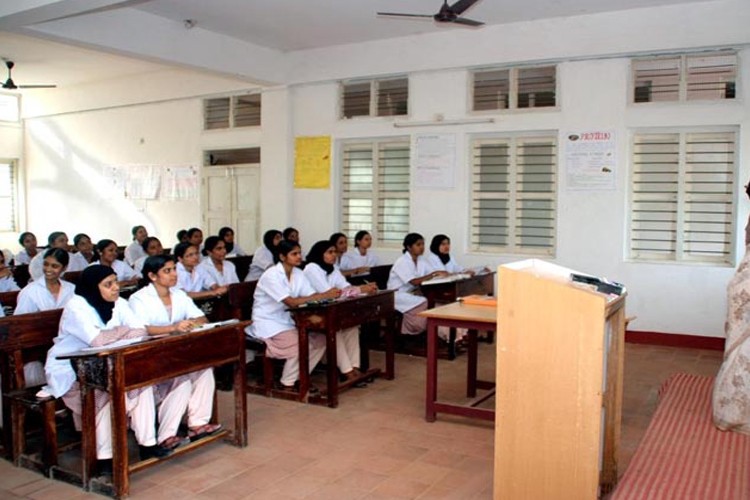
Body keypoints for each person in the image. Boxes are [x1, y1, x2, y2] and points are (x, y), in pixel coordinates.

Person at [42, 265, 168, 472]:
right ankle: (104, 457)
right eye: (108, 284)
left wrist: (118, 333)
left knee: (142, 384)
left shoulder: (119, 302)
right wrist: (124, 331)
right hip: (71, 366)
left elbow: (141, 332)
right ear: (93, 287)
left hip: (109, 362)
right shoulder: (77, 306)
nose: (115, 288)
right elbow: (98, 340)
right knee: (100, 392)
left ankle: (148, 444)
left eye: (116, 282)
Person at [128, 255, 221, 447]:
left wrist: (190, 324)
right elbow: (142, 328)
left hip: (177, 351)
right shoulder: (139, 298)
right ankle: (166, 435)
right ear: (152, 276)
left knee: (204, 370)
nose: (173, 275)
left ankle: (198, 424)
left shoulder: (179, 294)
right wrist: (173, 328)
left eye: (174, 270)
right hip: (151, 353)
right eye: (167, 271)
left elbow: (201, 318)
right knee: (183, 382)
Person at [247, 240, 340, 392]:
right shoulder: (271, 275)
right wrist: (323, 295)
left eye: (299, 253)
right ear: (282, 257)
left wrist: (325, 296)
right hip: (268, 322)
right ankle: (287, 383)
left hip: (288, 320)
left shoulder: (298, 273)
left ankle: (299, 377)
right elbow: (291, 302)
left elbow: (311, 295)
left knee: (321, 339)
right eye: (294, 254)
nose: (299, 257)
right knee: (301, 344)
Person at [304, 240, 378, 385]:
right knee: (334, 331)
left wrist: (362, 289)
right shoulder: (311, 268)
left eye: (335, 252)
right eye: (330, 252)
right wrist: (358, 290)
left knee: (352, 327)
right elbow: (327, 293)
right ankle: (347, 371)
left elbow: (345, 287)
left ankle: (354, 367)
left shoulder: (333, 268)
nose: (334, 255)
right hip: (313, 312)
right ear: (320, 254)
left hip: (332, 309)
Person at [387, 233, 449, 335]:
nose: (422, 248)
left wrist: (444, 274)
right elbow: (414, 281)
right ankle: (412, 330)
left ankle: (440, 333)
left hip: (413, 293)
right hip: (398, 295)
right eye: (418, 245)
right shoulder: (402, 261)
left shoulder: (421, 260)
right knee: (425, 301)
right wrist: (433, 274)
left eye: (423, 244)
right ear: (409, 247)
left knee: (438, 303)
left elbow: (433, 273)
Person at [15, 248, 75, 314]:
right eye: (46, 264)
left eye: (54, 266)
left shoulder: (71, 289)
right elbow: (20, 320)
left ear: (64, 268)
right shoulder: (29, 291)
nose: (48, 269)